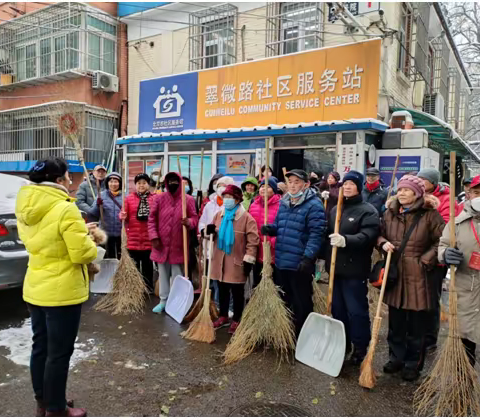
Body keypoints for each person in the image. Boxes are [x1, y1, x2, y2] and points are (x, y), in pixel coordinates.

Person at [16, 157, 97, 417]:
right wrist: (89, 238)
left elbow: (46, 240)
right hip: (62, 292)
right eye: (67, 176)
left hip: (36, 287)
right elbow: (82, 254)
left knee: (41, 346)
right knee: (59, 353)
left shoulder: (26, 206)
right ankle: (56, 408)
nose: (70, 181)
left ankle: (44, 400)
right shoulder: (65, 208)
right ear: (60, 180)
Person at [378, 175, 445, 381]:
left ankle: (412, 364)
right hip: (395, 274)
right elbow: (379, 234)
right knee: (396, 323)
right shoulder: (389, 213)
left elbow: (443, 240)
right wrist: (382, 243)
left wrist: (426, 259)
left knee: (417, 325)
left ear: (417, 192)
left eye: (407, 190)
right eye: (399, 189)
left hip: (419, 275)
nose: (402, 193)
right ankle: (395, 358)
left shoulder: (430, 215)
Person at [325, 170, 380, 366]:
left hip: (354, 270)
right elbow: (328, 234)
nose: (347, 187)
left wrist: (346, 240)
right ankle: (343, 342)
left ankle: (359, 346)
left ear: (359, 187)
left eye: (351, 184)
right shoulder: (335, 209)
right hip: (335, 269)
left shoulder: (367, 210)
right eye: (345, 184)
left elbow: (368, 236)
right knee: (338, 310)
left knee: (356, 311)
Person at [261, 169, 326, 336]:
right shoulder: (285, 202)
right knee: (285, 298)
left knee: (302, 301)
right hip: (282, 260)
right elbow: (280, 226)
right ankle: (287, 333)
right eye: (290, 182)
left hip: (299, 262)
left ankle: (304, 334)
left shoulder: (313, 205)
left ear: (306, 184)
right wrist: (271, 229)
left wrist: (308, 257)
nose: (293, 185)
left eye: (297, 182)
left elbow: (316, 233)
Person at [438, 175, 480, 367]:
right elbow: (443, 244)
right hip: (466, 288)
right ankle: (464, 380)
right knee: (466, 338)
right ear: (470, 194)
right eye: (477, 193)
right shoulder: (458, 221)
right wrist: (446, 255)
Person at [417, 168, 461, 351]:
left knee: (431, 298)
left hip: (436, 257)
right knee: (418, 296)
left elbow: (444, 228)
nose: (420, 182)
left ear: (433, 183)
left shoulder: (447, 201)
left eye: (424, 180)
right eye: (418, 179)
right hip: (416, 255)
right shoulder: (416, 195)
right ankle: (417, 333)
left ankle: (430, 339)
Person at [207, 185, 259, 334]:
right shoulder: (219, 215)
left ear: (237, 199)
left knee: (237, 292)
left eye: (230, 198)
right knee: (222, 290)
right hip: (219, 261)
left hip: (236, 261)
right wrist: (207, 231)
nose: (227, 200)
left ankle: (236, 318)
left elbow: (253, 240)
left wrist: (249, 259)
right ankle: (223, 316)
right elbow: (209, 236)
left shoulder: (246, 218)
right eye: (225, 197)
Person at [148, 172, 198, 313]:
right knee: (163, 274)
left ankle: (177, 302)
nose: (172, 184)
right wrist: (154, 237)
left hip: (178, 244)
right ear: (166, 183)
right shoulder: (159, 198)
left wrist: (188, 222)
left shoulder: (188, 200)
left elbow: (195, 218)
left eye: (175, 181)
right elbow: (151, 219)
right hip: (161, 244)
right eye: (170, 181)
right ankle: (163, 301)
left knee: (177, 275)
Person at [198, 176, 235, 305]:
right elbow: (202, 221)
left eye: (224, 185)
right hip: (210, 247)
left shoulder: (233, 206)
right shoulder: (209, 204)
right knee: (213, 278)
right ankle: (215, 304)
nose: (221, 188)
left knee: (225, 278)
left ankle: (227, 306)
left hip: (226, 248)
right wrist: (204, 231)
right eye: (219, 185)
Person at [120, 173, 156, 293]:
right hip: (133, 239)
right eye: (139, 183)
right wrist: (122, 216)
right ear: (135, 185)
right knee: (134, 267)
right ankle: (135, 289)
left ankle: (148, 288)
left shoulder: (154, 198)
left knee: (147, 266)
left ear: (148, 184)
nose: (141, 185)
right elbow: (123, 215)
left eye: (144, 183)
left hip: (148, 238)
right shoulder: (129, 198)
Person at [248, 177, 281, 287]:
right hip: (256, 249)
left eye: (267, 187)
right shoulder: (253, 205)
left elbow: (282, 227)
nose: (263, 189)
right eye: (262, 186)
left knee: (274, 282)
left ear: (274, 190)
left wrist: (272, 241)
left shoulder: (280, 205)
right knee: (257, 280)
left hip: (272, 250)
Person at [89, 172, 123, 259]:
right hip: (105, 232)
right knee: (108, 257)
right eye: (111, 181)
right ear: (107, 183)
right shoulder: (101, 195)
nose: (113, 184)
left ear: (120, 183)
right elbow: (93, 214)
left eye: (116, 181)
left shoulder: (124, 196)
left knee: (120, 257)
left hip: (121, 233)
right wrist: (97, 205)